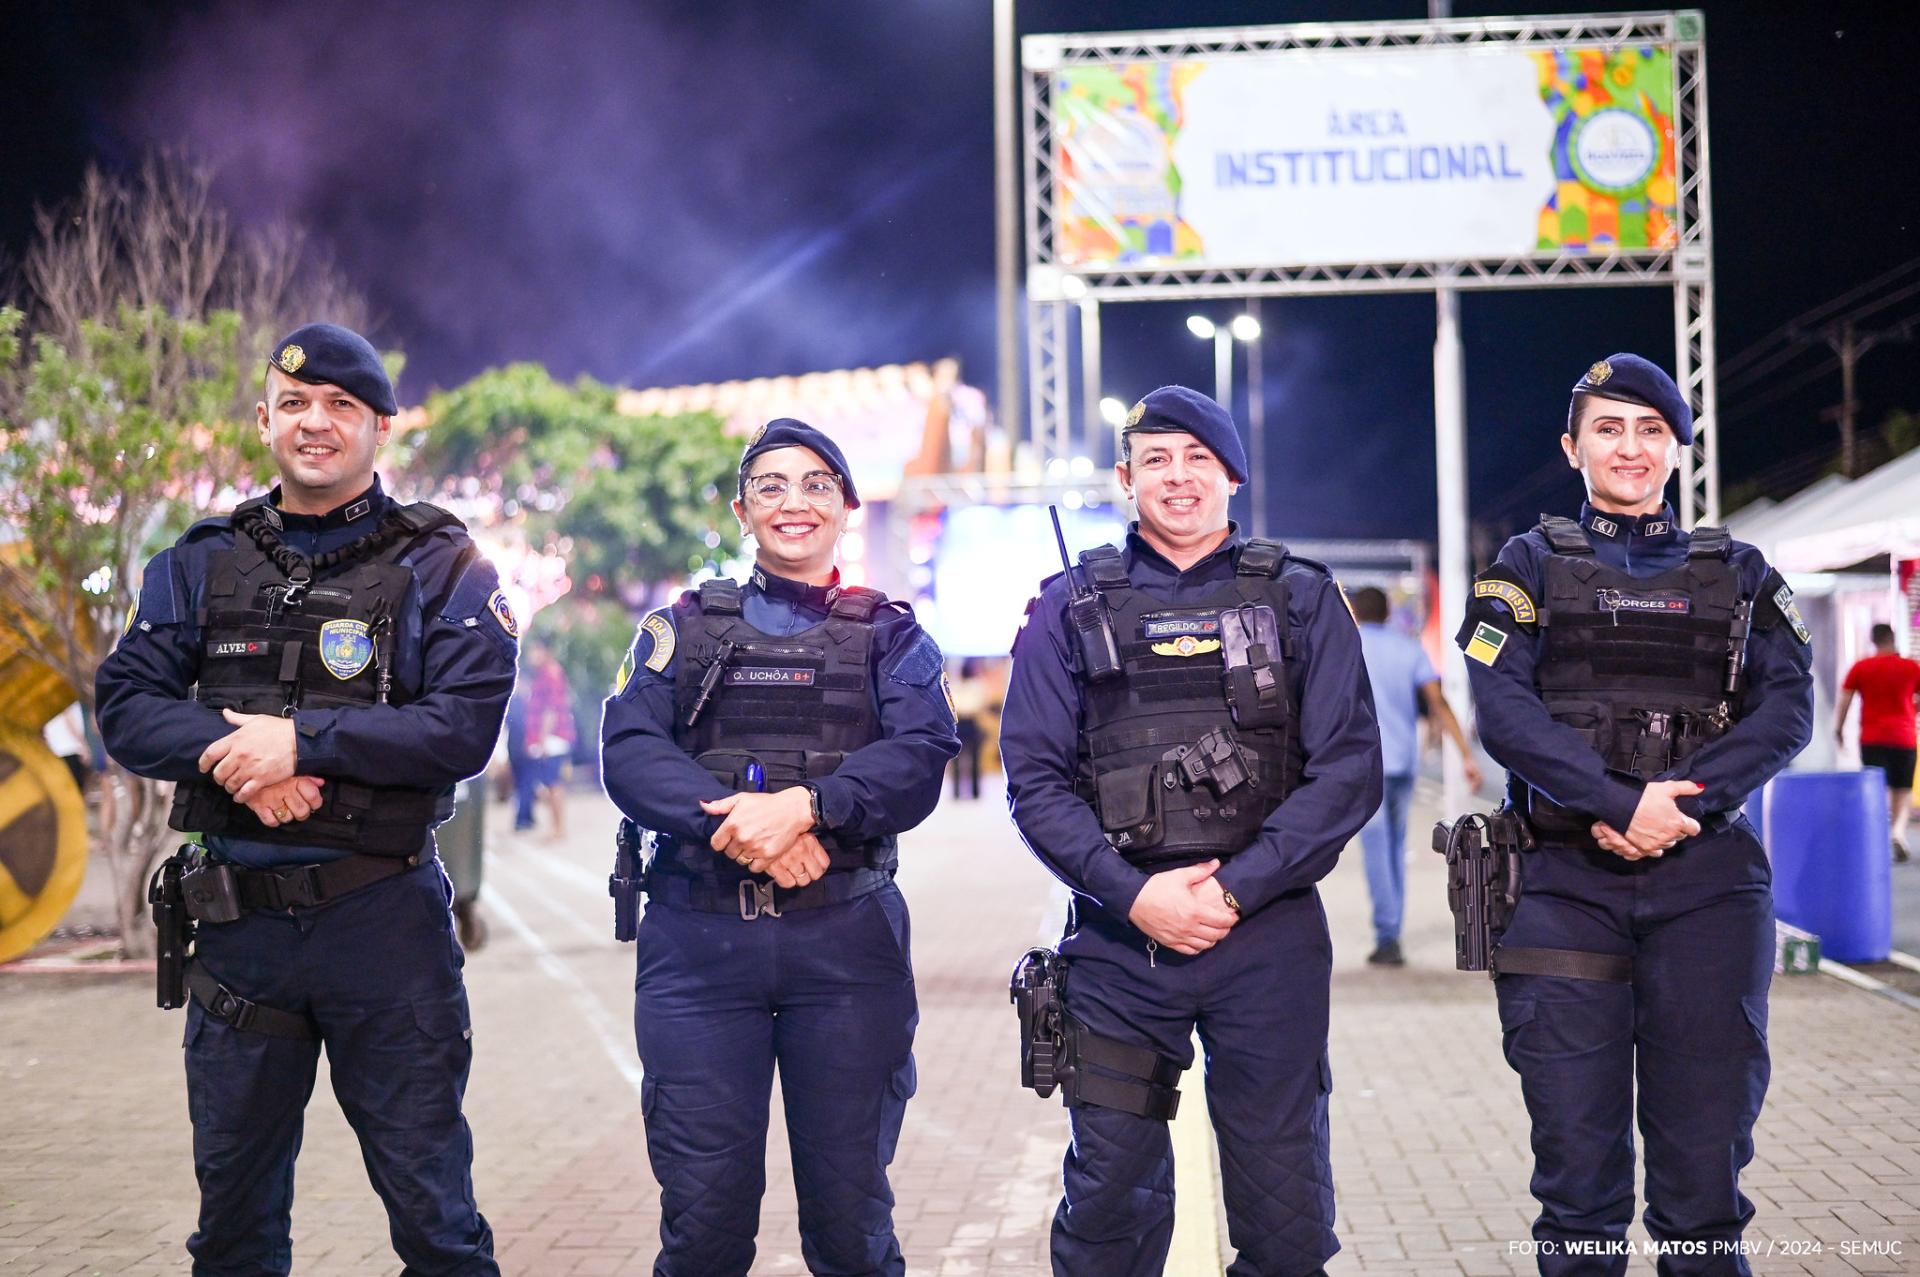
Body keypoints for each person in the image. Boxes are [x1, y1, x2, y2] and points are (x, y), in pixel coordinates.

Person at [95, 323, 514, 1276]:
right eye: (294, 405)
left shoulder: (444, 566)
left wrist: (305, 741)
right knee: (235, 1230)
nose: (315, 424)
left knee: (436, 1222)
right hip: (239, 932)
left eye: (341, 407)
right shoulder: (197, 561)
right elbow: (125, 705)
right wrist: (245, 754)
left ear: (381, 429)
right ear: (263, 420)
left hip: (383, 923)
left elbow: (459, 729)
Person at [1002, 384, 1382, 1277]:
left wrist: (1234, 888)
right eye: (1156, 461)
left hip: (1270, 935)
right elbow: (1035, 780)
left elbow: (1349, 768)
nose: (1177, 478)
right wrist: (1135, 896)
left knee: (1284, 1214)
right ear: (1126, 479)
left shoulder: (1300, 599)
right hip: (1119, 943)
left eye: (1197, 459)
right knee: (1107, 1208)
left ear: (1233, 476)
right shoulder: (1066, 604)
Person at [1458, 353, 1812, 1275]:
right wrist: (1617, 802)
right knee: (1578, 1172)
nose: (1630, 447)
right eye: (1608, 428)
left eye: (1651, 429)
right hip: (1561, 884)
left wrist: (1675, 808)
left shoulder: (1740, 572)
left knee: (1703, 1172)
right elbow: (1505, 713)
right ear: (1573, 448)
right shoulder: (1523, 567)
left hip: (1708, 888)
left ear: (1676, 450)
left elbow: (1788, 710)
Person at [600, 418, 959, 1277]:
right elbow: (628, 753)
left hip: (845, 950)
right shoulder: (680, 628)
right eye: (771, 485)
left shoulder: (892, 636)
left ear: (844, 508)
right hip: (698, 952)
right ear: (741, 509)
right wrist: (749, 829)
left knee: (850, 1226)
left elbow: (917, 760)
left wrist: (808, 806)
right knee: (703, 1227)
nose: (793, 502)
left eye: (814, 485)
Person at [1349, 585, 1483, 966]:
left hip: (1365, 765)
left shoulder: (1347, 646)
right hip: (1404, 764)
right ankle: (1393, 929)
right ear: (1388, 612)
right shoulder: (1408, 648)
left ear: (1355, 612)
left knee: (1376, 847)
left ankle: (1387, 936)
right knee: (1395, 846)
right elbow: (1437, 702)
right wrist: (1466, 755)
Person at [1836, 622, 1920, 862]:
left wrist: (1839, 729)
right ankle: (1898, 833)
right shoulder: (1911, 667)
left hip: (1872, 738)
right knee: (1902, 788)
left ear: (1873, 640)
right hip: (1904, 737)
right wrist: (1913, 711)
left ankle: (1874, 838)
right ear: (1893, 638)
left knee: (1876, 788)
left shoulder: (1862, 667)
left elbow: (1845, 701)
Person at [521, 634, 577, 840]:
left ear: (545, 651)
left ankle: (558, 829)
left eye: (535, 650)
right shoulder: (543, 673)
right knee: (549, 784)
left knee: (553, 784)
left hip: (553, 739)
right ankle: (555, 828)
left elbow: (551, 710)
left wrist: (543, 739)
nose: (531, 655)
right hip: (547, 738)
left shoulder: (551, 674)